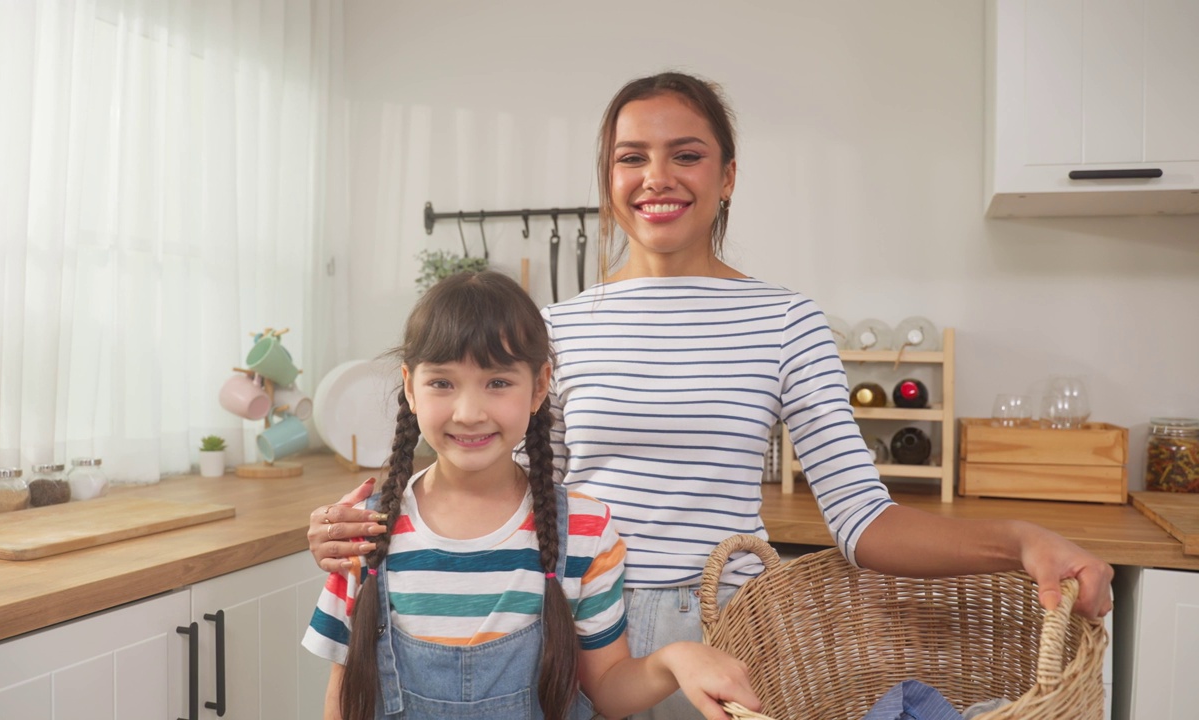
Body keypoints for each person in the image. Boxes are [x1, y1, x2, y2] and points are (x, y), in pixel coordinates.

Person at [309, 72, 1115, 720]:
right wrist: (355, 532)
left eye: (685, 154)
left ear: (727, 177)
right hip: (581, 639)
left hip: (732, 638)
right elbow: (484, 488)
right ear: (608, 182)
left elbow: (865, 524)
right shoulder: (553, 330)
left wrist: (1018, 540)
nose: (656, 177)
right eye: (631, 157)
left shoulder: (786, 320)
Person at [301, 270, 760, 720]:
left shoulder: (583, 531)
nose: (468, 412)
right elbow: (343, 699)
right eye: (442, 383)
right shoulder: (364, 531)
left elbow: (609, 691)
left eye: (498, 382)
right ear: (409, 386)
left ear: (540, 386)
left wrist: (674, 660)